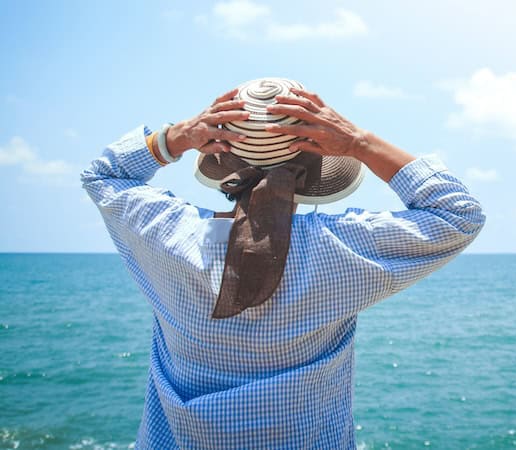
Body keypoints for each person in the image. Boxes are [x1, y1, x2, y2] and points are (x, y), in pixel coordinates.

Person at [81, 81, 485, 449]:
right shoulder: (339, 247)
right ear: (316, 173)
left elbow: (102, 175)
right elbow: (459, 215)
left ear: (221, 160)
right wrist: (360, 142)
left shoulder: (167, 234)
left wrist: (177, 137)